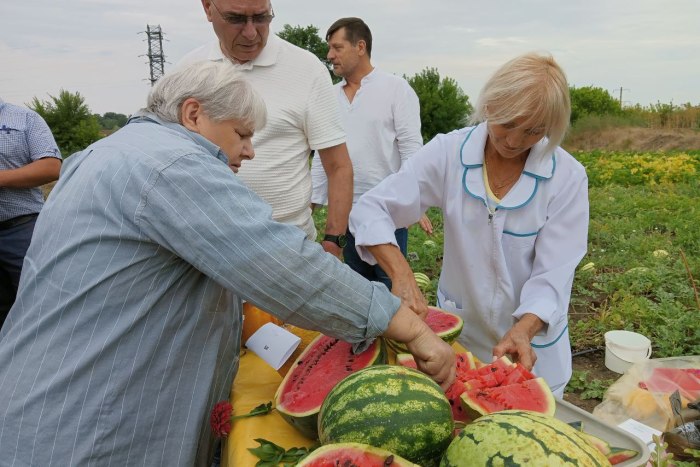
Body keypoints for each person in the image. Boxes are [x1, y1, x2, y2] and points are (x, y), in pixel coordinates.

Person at [0, 61, 455, 467]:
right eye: (242, 134)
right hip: (88, 428)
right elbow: (283, 264)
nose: (250, 151)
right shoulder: (170, 165)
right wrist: (410, 327)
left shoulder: (106, 153)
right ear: (193, 114)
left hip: (39, 397)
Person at [349, 52, 588, 397]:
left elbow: (554, 273)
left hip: (533, 352)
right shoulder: (449, 152)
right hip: (460, 345)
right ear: (490, 105)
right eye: (507, 124)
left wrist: (525, 327)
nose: (515, 141)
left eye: (534, 131)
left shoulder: (566, 177)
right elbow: (372, 209)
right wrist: (400, 273)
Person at [177, 0, 353, 258]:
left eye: (261, 17)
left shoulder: (306, 69)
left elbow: (338, 166)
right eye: (236, 19)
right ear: (207, 8)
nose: (251, 33)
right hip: (209, 251)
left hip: (288, 249)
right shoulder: (188, 71)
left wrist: (334, 243)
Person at [310, 17, 430, 289]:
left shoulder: (396, 89)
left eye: (337, 47)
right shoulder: (329, 96)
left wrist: (416, 199)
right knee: (356, 293)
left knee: (391, 290)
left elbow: (412, 148)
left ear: (360, 46)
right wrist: (309, 206)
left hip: (386, 213)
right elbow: (322, 157)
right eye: (329, 48)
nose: (330, 56)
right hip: (344, 215)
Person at [0, 99, 61, 327]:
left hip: (21, 229)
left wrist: (1, 179)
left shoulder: (24, 118)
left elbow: (51, 166)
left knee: (38, 305)